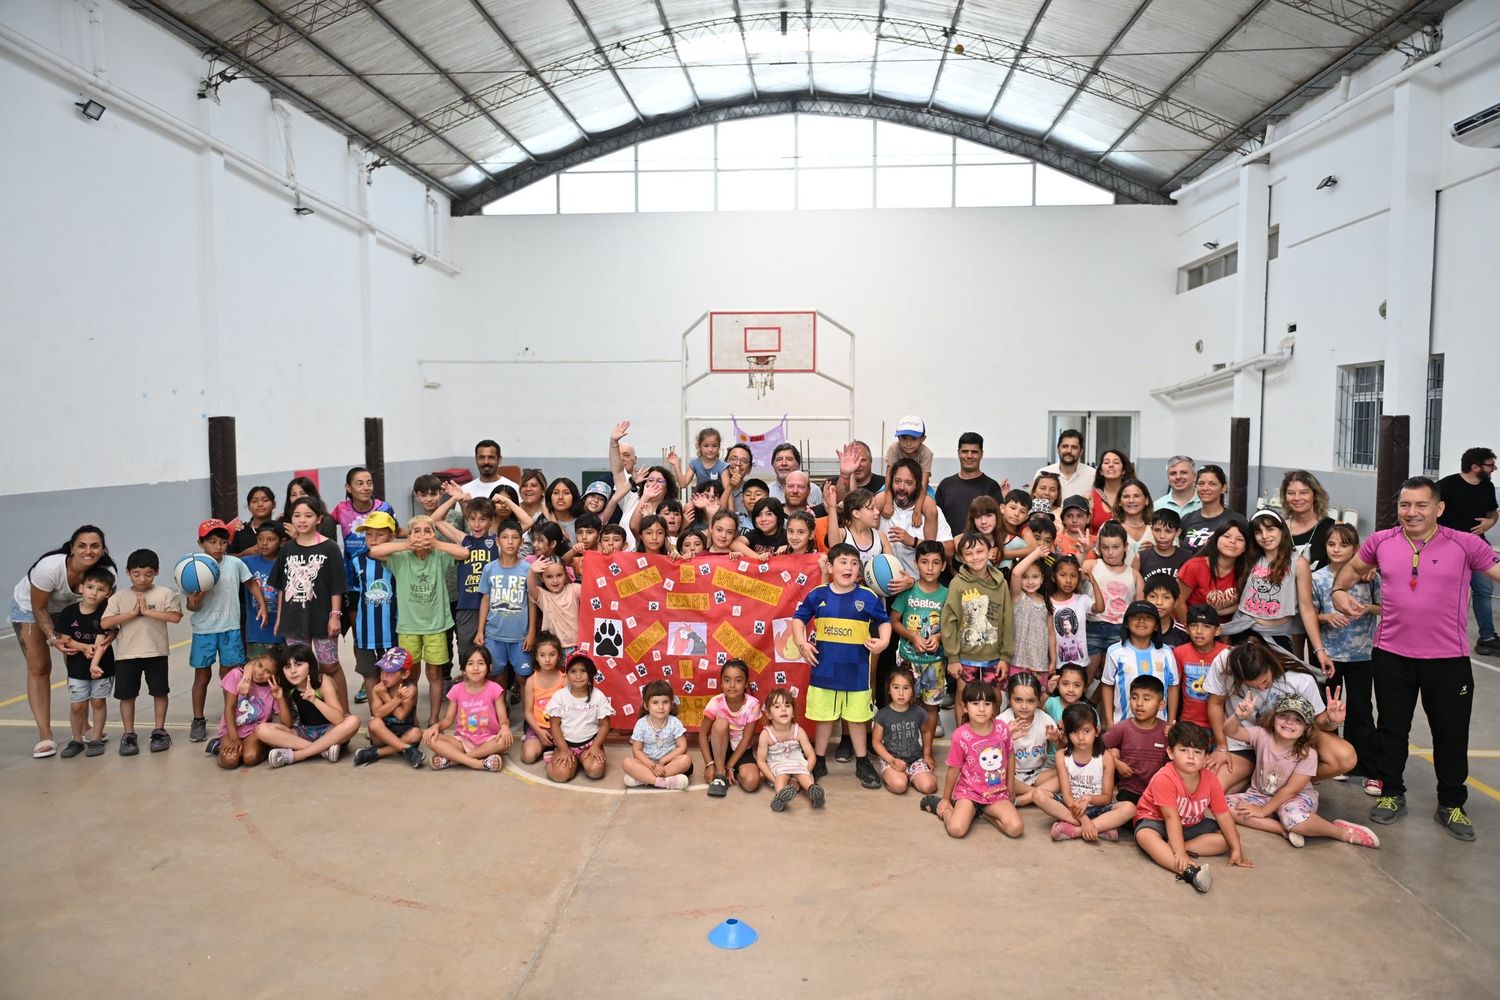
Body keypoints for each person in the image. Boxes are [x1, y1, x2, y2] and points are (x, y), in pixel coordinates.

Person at [1332, 476, 1500, 840]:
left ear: (1438, 508)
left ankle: (1451, 803)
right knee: (1393, 729)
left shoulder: (1465, 543)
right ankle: (1392, 793)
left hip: (1449, 659)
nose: (1412, 513)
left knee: (1451, 733)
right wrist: (1338, 590)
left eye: (1421, 505)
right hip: (1392, 654)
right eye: (1405, 505)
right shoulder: (1382, 541)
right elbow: (1352, 570)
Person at [1223, 691, 1380, 849]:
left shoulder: (1307, 754)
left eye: (1298, 720)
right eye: (1284, 716)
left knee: (1296, 820)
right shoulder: (1261, 734)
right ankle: (1282, 829)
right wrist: (1238, 717)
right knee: (1223, 806)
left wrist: (1262, 811)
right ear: (1274, 717)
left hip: (1295, 798)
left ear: (1306, 728)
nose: (1289, 723)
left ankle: (1339, 831)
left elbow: (1291, 790)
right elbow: (1229, 731)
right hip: (1260, 796)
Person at [792, 544, 892, 788]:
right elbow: (799, 618)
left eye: (854, 563)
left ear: (859, 569)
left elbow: (884, 621)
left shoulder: (867, 596)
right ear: (830, 566)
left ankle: (861, 762)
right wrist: (801, 643)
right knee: (823, 717)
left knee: (858, 719)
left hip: (857, 672)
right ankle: (820, 759)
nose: (848, 567)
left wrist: (884, 641)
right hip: (824, 670)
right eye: (843, 562)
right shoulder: (819, 594)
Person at [10, 525, 115, 758]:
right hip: (32, 608)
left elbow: (104, 614)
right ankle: (45, 735)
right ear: (72, 548)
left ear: (103, 549)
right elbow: (39, 607)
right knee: (39, 667)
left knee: (77, 664)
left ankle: (85, 727)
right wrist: (53, 638)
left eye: (95, 545)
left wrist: (105, 636)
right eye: (82, 545)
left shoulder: (106, 572)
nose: (89, 550)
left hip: (71, 610)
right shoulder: (49, 568)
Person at [1204, 640, 1354, 793]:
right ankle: (1260, 783)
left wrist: (1332, 720)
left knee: (1345, 756)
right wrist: (1221, 747)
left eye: (1264, 681)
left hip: (1287, 746)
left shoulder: (1299, 680)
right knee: (1212, 791)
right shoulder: (1225, 662)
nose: (1261, 688)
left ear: (1270, 665)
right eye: (1252, 686)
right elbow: (1215, 703)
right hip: (1245, 742)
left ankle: (1281, 786)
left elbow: (1317, 721)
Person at [366, 515, 471, 727]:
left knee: (434, 673)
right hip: (408, 626)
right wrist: (406, 544)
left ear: (434, 534)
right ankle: (411, 716)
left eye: (427, 531)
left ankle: (433, 717)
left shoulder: (439, 555)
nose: (422, 535)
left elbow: (465, 552)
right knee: (410, 674)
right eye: (416, 531)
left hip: (436, 625)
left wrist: (437, 543)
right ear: (409, 535)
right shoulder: (401, 557)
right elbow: (374, 551)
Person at [1132, 721, 1252, 893]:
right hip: (1157, 821)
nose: (1191, 756)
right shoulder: (1165, 778)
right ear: (1170, 753)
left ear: (1205, 757)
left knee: (1227, 838)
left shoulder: (1211, 780)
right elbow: (1170, 817)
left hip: (1191, 824)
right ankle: (1187, 870)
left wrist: (1236, 849)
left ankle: (1177, 846)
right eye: (1183, 750)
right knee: (1145, 836)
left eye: (1197, 752)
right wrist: (1179, 853)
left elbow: (1223, 815)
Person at [1307, 523, 1382, 794]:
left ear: (1355, 549)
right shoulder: (1318, 578)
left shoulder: (1369, 577)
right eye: (1332, 544)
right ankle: (1333, 759)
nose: (1336, 549)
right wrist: (1326, 617)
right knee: (1327, 711)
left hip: (1362, 655)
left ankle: (1368, 768)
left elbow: (1383, 606)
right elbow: (1309, 614)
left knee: (1361, 710)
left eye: (1344, 544)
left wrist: (1367, 609)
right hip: (1328, 655)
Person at [187, 519, 269, 744]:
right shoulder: (194, 566)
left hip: (231, 628)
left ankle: (230, 713)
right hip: (204, 630)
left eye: (223, 542)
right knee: (202, 676)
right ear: (201, 543)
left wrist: (261, 604)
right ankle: (198, 719)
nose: (218, 546)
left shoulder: (234, 563)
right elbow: (191, 606)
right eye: (212, 541)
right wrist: (195, 601)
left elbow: (251, 583)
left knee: (230, 675)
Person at [268, 498, 348, 709]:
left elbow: (336, 586)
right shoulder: (287, 550)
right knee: (297, 669)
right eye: (297, 515)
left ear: (319, 518)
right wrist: (279, 618)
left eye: (308, 515)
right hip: (293, 618)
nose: (302, 520)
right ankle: (306, 715)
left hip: (322, 618)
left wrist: (335, 616)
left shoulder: (330, 547)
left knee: (329, 666)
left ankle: (344, 711)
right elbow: (282, 587)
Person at [101, 550, 182, 756]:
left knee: (160, 691)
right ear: (128, 573)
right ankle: (128, 734)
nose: (142, 578)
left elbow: (175, 617)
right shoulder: (118, 597)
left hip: (156, 652)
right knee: (126, 696)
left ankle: (159, 731)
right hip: (127, 655)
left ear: (156, 572)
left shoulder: (165, 594)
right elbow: (105, 622)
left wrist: (147, 612)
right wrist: (131, 614)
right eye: (136, 574)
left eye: (148, 574)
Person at [922, 681, 1024, 840]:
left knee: (1016, 828)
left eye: (987, 703)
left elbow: (1010, 755)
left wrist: (1010, 786)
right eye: (975, 703)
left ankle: (983, 813)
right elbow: (954, 769)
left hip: (996, 793)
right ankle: (944, 811)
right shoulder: (960, 735)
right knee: (956, 829)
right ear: (965, 707)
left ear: (993, 707)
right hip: (969, 793)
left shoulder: (1002, 729)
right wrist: (946, 800)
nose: (982, 709)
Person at [1220, 508, 1323, 652]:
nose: (1264, 536)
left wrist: (1319, 650)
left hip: (1277, 633)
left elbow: (1306, 609)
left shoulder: (1298, 563)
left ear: (1282, 530)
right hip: (1243, 629)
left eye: (1270, 529)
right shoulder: (1250, 559)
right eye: (1258, 532)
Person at [940, 533, 1013, 727]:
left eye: (980, 551)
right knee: (963, 699)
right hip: (965, 657)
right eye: (969, 553)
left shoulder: (1001, 583)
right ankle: (963, 742)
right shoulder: (958, 583)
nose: (975, 557)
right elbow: (948, 621)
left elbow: (1007, 620)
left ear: (990, 552)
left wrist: (1005, 657)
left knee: (994, 699)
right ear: (962, 558)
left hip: (994, 657)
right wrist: (953, 658)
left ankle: (993, 741)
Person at [1036, 702, 1136, 842]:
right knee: (1038, 794)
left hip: (1097, 807)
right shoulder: (1061, 756)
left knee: (1130, 808)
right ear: (1066, 733)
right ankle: (1100, 827)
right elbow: (1067, 795)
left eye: (1086, 731)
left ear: (1097, 730)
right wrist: (1084, 820)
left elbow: (1107, 797)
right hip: (1070, 807)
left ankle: (1074, 830)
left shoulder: (1106, 757)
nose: (1081, 737)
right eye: (1074, 732)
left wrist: (1089, 798)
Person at [1437, 446, 1498, 654]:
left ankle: (1487, 637)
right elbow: (1429, 511)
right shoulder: (1446, 485)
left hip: (1478, 547)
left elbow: (1493, 513)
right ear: (1474, 467)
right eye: (1490, 465)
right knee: (1451, 592)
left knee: (1484, 590)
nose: (1494, 469)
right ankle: (1445, 635)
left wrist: (1490, 523)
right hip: (1450, 548)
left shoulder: (1487, 487)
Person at [259, 643, 362, 767]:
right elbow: (287, 725)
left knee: (353, 721)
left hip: (330, 731)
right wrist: (280, 699)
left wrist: (314, 700)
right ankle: (323, 750)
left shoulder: (322, 681)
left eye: (298, 665)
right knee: (262, 730)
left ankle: (297, 755)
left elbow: (339, 719)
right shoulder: (289, 687)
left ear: (310, 665)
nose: (293, 671)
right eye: (287, 666)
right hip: (304, 732)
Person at [52, 566, 116, 758]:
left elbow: (103, 640)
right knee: (77, 705)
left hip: (102, 667)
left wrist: (94, 659)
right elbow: (66, 639)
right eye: (90, 587)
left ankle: (95, 738)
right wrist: (83, 648)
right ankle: (77, 739)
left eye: (100, 589)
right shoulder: (69, 612)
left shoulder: (106, 613)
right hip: (76, 667)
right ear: (81, 588)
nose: (94, 593)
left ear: (108, 593)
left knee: (98, 702)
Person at [890, 540, 948, 738]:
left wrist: (939, 636)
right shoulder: (908, 591)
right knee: (906, 704)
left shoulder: (947, 595)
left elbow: (952, 626)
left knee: (931, 708)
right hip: (908, 661)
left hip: (935, 664)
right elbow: (894, 621)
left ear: (944, 565)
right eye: (924, 562)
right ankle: (908, 745)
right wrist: (913, 636)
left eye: (935, 562)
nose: (930, 568)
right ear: (916, 563)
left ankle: (927, 752)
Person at [423, 647, 512, 772]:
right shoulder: (457, 689)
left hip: (488, 740)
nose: (475, 668)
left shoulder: (495, 689)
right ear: (464, 669)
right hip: (463, 742)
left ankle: (453, 760)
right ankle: (479, 763)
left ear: (489, 667)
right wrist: (436, 726)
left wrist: (504, 727)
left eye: (480, 663)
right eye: (470, 664)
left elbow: (503, 719)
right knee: (429, 738)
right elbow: (448, 720)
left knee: (505, 740)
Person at [1101, 600, 1180, 727]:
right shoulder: (1115, 652)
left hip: (1159, 726)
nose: (1141, 621)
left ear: (1156, 626)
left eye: (1148, 618)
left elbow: (1173, 687)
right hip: (1123, 723)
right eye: (1136, 617)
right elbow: (1107, 685)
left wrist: (1171, 722)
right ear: (1126, 623)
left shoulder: (1166, 652)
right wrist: (1109, 721)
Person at [476, 520, 533, 694]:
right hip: (494, 634)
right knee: (496, 674)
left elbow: (532, 601)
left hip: (520, 636)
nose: (510, 542)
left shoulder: (528, 569)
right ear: (497, 540)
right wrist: (480, 630)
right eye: (505, 537)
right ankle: (501, 713)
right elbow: (485, 599)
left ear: (521, 542)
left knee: (523, 676)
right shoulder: (489, 569)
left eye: (515, 537)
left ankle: (527, 717)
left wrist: (531, 633)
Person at [1082, 522, 1141, 681]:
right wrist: (1083, 554)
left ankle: (1094, 704)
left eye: (1115, 547)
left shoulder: (1134, 575)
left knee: (1113, 678)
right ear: (1099, 547)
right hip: (1091, 626)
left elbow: (1139, 608)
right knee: (1085, 677)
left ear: (1125, 546)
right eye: (1105, 547)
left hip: (1119, 630)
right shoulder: (1092, 565)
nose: (1110, 553)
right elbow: (1073, 576)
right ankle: (1082, 705)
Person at [349, 513, 398, 696]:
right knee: (370, 675)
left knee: (392, 674)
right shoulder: (357, 560)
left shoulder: (399, 559)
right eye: (369, 534)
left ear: (392, 536)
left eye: (380, 535)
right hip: (365, 632)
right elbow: (353, 596)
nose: (373, 539)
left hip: (393, 630)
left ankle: (394, 716)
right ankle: (375, 714)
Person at [544, 652, 613, 783]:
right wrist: (564, 750)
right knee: (561, 775)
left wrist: (596, 746)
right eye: (573, 671)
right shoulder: (560, 696)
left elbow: (605, 724)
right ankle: (554, 759)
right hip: (566, 744)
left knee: (595, 771)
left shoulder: (598, 696)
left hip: (590, 744)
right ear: (567, 674)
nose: (578, 676)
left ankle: (581, 760)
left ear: (591, 673)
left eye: (583, 671)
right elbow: (554, 725)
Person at [698, 659, 763, 795]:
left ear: (746, 683)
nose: (732, 685)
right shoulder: (716, 702)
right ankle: (720, 773)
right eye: (727, 680)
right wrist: (709, 764)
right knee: (721, 723)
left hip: (741, 750)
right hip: (719, 748)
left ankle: (733, 770)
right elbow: (703, 734)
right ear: (721, 683)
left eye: (738, 681)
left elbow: (746, 740)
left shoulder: (753, 704)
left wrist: (730, 765)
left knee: (752, 783)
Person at [1103, 675, 1170, 805]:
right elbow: (1097, 746)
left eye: (1146, 699)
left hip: (1158, 790)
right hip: (1130, 790)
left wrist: (1176, 735)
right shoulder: (1122, 728)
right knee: (1127, 811)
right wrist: (1116, 762)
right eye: (1134, 698)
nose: (1139, 703)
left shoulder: (1166, 730)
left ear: (1161, 705)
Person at [871, 667, 937, 796]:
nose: (901, 693)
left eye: (906, 688)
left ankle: (914, 775)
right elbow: (876, 742)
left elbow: (926, 732)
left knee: (929, 786)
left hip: (915, 759)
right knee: (899, 786)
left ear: (913, 690)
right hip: (891, 759)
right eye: (896, 687)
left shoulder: (919, 712)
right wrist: (892, 760)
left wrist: (927, 755)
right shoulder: (883, 714)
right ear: (889, 689)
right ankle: (897, 777)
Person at [355, 647, 425, 768]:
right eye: (382, 671)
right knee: (374, 723)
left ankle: (377, 753)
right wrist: (396, 699)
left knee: (417, 733)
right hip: (383, 734)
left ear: (405, 674)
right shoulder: (378, 689)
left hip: (405, 731)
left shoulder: (410, 689)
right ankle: (406, 749)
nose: (384, 676)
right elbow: (377, 714)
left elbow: (401, 715)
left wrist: (387, 697)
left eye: (390, 672)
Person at [757, 688, 823, 811]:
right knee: (782, 777)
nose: (783, 709)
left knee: (803, 775)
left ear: (793, 712)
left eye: (787, 705)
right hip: (778, 764)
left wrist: (806, 771)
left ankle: (813, 791)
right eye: (777, 707)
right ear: (769, 714)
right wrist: (773, 778)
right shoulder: (766, 735)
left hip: (796, 761)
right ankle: (781, 796)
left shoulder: (798, 731)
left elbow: (811, 755)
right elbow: (761, 761)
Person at [213, 651, 280, 769]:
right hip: (232, 728)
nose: (260, 673)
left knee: (250, 758)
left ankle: (262, 747)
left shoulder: (272, 689)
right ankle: (218, 747)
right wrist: (233, 737)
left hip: (254, 731)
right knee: (230, 761)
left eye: (268, 672)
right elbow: (229, 708)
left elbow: (285, 721)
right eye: (259, 666)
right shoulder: (237, 675)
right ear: (254, 663)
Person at [1000, 671, 1058, 805]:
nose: (1024, 707)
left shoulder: (1044, 719)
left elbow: (1063, 750)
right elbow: (990, 755)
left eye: (1031, 701)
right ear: (1010, 698)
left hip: (1038, 773)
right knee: (996, 778)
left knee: (1065, 774)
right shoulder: (1002, 721)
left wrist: (1057, 741)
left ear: (1038, 700)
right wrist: (1006, 737)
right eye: (1018, 700)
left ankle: (1021, 800)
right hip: (1011, 775)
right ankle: (1037, 794)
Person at [1175, 520, 1250, 623]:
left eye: (1240, 539)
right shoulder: (1194, 566)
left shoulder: (1246, 571)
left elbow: (1245, 604)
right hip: (1192, 626)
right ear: (1216, 540)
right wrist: (1189, 630)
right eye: (1227, 536)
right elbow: (1178, 602)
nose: (1232, 541)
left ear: (1245, 548)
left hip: (1227, 629)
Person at [934, 432, 1004, 542]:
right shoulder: (945, 485)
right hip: (949, 554)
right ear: (958, 453)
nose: (969, 456)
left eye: (974, 452)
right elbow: (936, 520)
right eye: (965, 451)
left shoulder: (991, 486)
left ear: (981, 454)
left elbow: (999, 522)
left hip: (980, 554)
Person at [623, 680, 692, 790]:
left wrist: (663, 761)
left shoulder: (674, 722)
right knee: (627, 763)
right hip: (647, 764)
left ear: (671, 704)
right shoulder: (641, 724)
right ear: (646, 705)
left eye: (665, 702)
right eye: (655, 702)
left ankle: (643, 779)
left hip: (669, 764)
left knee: (685, 760)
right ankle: (663, 782)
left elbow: (682, 747)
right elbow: (637, 751)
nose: (661, 707)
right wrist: (652, 765)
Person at [1174, 605, 1227, 731]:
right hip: (1188, 721)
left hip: (1219, 723)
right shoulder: (1180, 652)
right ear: (1186, 629)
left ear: (1217, 630)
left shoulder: (1226, 653)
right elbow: (1174, 688)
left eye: (1206, 626)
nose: (1199, 631)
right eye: (1194, 625)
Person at [1008, 546, 1054, 686]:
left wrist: (1053, 659)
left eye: (1035, 577)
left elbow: (1051, 633)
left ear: (1042, 579)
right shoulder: (1017, 598)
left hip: (1040, 663)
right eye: (1025, 577)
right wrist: (1036, 553)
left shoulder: (1047, 601)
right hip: (1018, 661)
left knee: (1037, 698)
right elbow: (1016, 573)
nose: (1030, 581)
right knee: (1017, 697)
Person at [240, 521, 284, 660]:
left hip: (282, 633)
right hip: (257, 632)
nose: (264, 543)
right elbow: (225, 562)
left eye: (270, 539)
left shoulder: (286, 562)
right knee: (257, 673)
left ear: (281, 542)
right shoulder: (248, 562)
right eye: (260, 539)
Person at [520, 632, 567, 764]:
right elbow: (528, 712)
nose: (547, 660)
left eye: (552, 655)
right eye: (542, 655)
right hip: (537, 727)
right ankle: (534, 743)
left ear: (558, 656)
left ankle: (551, 747)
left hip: (560, 729)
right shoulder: (531, 681)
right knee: (528, 757)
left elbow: (568, 709)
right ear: (536, 657)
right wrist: (539, 732)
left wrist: (558, 733)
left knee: (563, 757)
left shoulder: (563, 679)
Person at [1280, 470, 1337, 570]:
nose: (1297, 498)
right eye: (1291, 493)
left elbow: (1356, 559)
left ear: (1315, 495)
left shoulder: (1334, 527)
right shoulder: (1278, 528)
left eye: (1303, 492)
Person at [1180, 465, 1246, 550]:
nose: (1205, 488)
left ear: (1224, 488)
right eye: (1201, 483)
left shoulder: (1237, 520)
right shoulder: (1187, 519)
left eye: (1212, 484)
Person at [1048, 555, 1090, 671]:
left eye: (1073, 576)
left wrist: (1094, 582)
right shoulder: (1048, 603)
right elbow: (1050, 634)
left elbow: (1100, 608)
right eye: (1062, 575)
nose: (1068, 580)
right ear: (1053, 577)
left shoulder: (1081, 599)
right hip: (1057, 663)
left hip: (1079, 663)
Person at [885, 416, 932, 520]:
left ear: (922, 439)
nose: (908, 443)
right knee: (877, 501)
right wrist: (888, 502)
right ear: (898, 438)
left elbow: (923, 484)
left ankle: (931, 536)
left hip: (920, 487)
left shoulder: (926, 454)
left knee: (932, 510)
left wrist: (917, 510)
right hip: (894, 484)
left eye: (914, 439)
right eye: (904, 438)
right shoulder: (894, 448)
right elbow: (888, 477)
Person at [1135, 508, 1189, 590]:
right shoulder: (1141, 557)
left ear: (1177, 532)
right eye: (1157, 530)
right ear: (1151, 529)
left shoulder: (1187, 557)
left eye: (1168, 531)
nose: (1162, 536)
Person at [1036, 429, 1096, 501]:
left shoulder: (1092, 475)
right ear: (1058, 449)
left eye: (1074, 447)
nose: (1069, 451)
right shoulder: (1043, 473)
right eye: (1065, 446)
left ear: (1081, 452)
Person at [1090, 450, 1136, 534]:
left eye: (1116, 462)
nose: (1111, 465)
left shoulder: (1134, 496)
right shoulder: (1090, 497)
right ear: (1101, 471)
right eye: (1106, 463)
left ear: (1123, 471)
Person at [230, 485, 278, 555]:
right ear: (249, 507)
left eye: (265, 500)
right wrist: (244, 554)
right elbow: (227, 558)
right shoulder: (239, 531)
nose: (260, 504)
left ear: (274, 504)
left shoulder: (280, 529)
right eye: (254, 501)